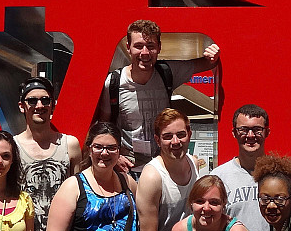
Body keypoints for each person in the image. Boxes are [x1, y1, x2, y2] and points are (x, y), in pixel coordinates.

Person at [94, 19, 219, 168]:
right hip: (128, 168)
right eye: (138, 46)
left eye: (151, 46)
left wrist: (214, 54)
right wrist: (116, 156)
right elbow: (104, 127)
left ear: (159, 47)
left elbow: (208, 62)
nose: (145, 53)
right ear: (128, 48)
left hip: (163, 165)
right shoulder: (113, 83)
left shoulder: (167, 72)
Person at [136, 108, 205, 231]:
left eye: (181, 135)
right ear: (158, 140)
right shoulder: (152, 177)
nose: (175, 142)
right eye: (168, 137)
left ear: (189, 135)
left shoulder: (194, 163)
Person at [13, 77, 81, 231]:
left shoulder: (70, 144)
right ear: (22, 106)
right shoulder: (11, 147)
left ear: (53, 105)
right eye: (32, 100)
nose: (39, 105)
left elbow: (80, 194)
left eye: (45, 100)